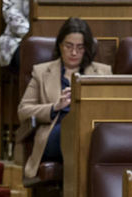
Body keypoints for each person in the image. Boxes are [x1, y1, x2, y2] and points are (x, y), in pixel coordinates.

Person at [18, 17, 110, 180]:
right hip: (55, 133)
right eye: (69, 46)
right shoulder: (41, 72)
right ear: (60, 45)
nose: (74, 53)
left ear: (87, 48)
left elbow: (112, 109)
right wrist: (54, 107)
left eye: (80, 47)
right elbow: (23, 111)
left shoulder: (103, 72)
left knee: (93, 136)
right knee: (71, 132)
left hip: (91, 132)